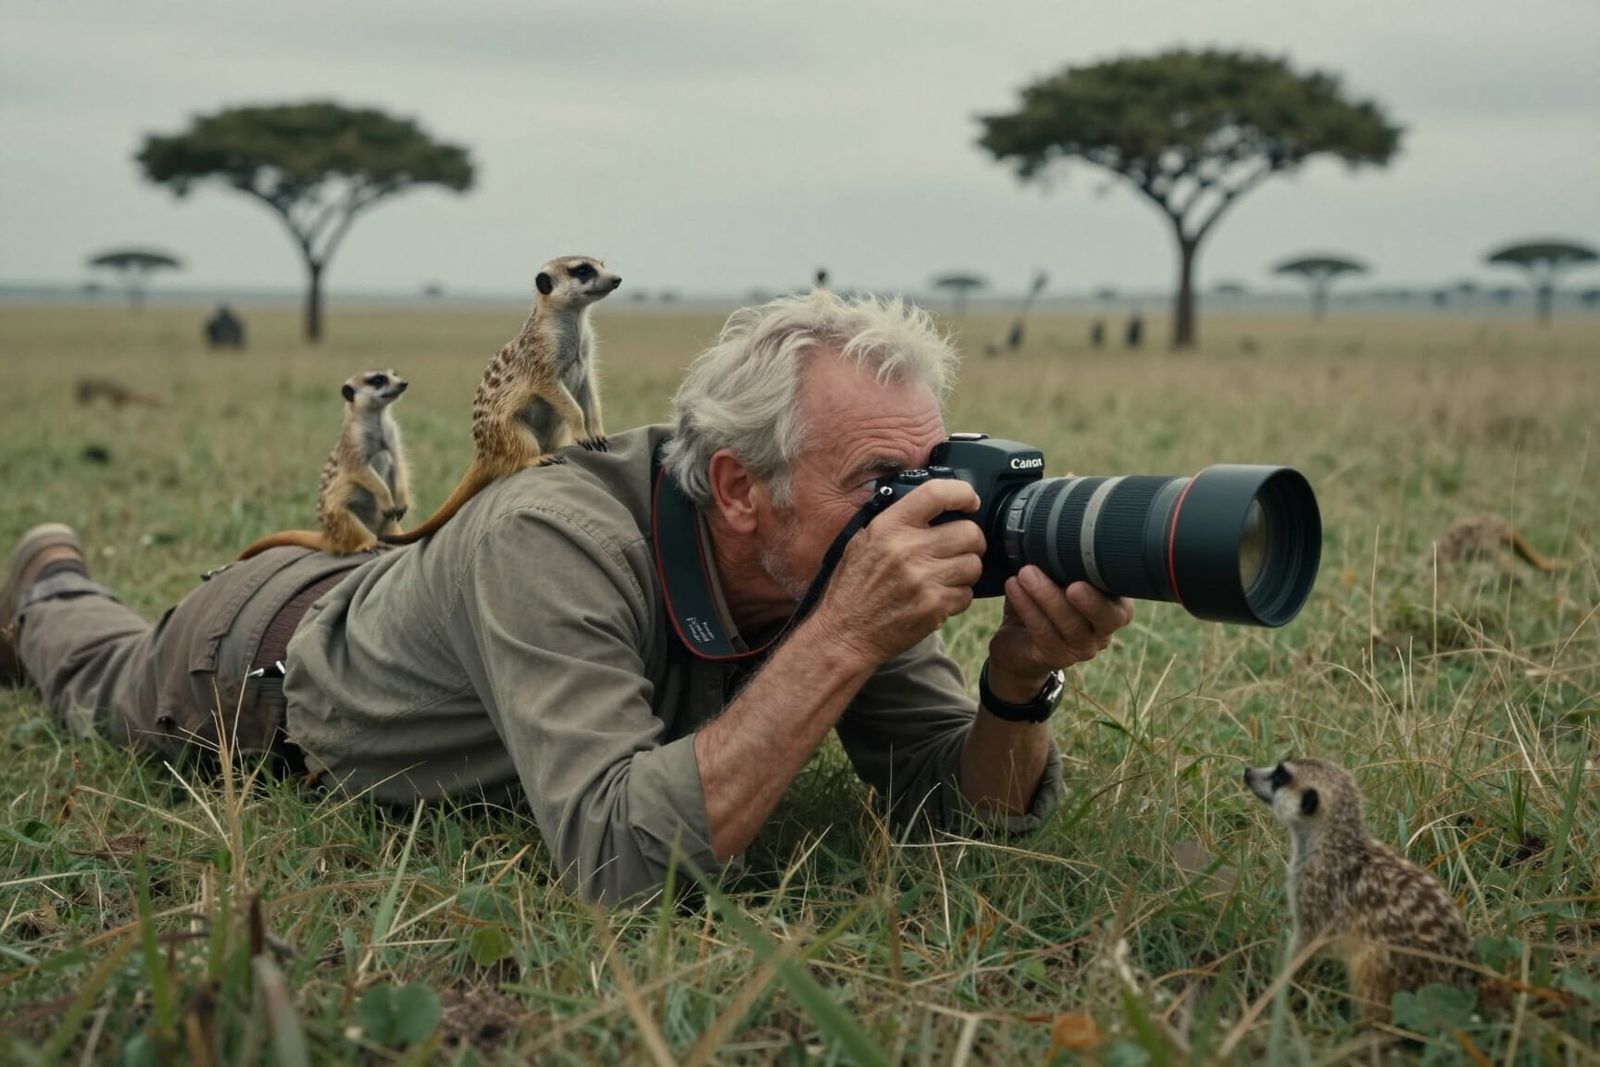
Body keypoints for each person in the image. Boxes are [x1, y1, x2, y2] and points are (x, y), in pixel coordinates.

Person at [1, 291, 1133, 904]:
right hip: (259, 658)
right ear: (738, 486)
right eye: (880, 483)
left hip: (420, 593)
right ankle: (47, 582)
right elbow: (619, 858)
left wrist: (1016, 686)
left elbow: (952, 818)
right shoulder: (557, 533)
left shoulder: (824, 546)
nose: (917, 510)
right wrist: (840, 633)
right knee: (98, 675)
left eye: (925, 471)